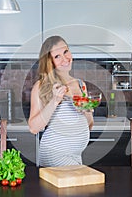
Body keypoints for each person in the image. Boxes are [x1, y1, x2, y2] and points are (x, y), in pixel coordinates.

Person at [28, 35, 94, 167]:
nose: (65, 59)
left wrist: (86, 111)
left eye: (65, 52)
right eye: (57, 56)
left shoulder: (81, 85)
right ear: (49, 62)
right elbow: (33, 128)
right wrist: (55, 101)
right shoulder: (41, 86)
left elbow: (89, 125)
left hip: (76, 156)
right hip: (55, 155)